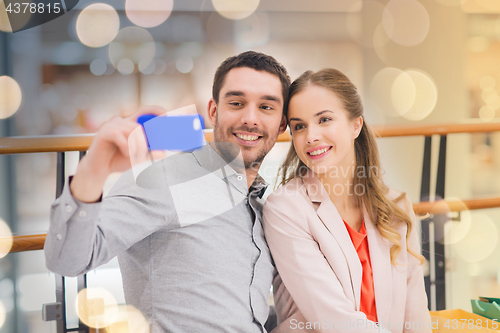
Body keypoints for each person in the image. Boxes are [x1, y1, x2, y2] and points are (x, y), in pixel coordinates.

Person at [44, 51, 289, 332]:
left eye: (266, 108)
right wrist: (94, 169)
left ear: (281, 124)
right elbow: (66, 260)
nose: (250, 118)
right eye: (236, 103)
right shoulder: (165, 176)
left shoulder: (261, 208)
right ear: (213, 111)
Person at [262, 69, 431, 333]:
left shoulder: (395, 206)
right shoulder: (285, 208)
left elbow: (416, 315)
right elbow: (334, 320)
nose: (311, 136)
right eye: (299, 126)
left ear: (356, 125)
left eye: (324, 119)